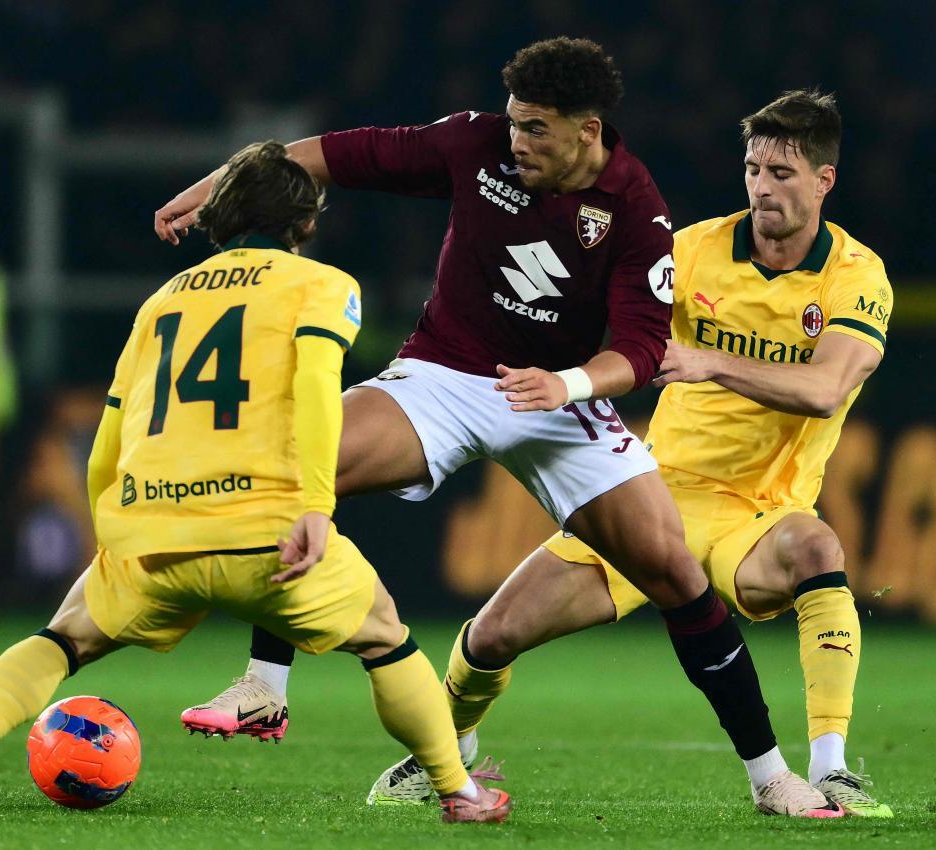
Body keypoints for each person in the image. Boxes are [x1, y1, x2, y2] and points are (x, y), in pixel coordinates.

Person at [154, 38, 833, 817]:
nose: (516, 141)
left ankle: (772, 777)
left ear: (587, 130)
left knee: (675, 573)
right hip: (445, 373)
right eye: (514, 122)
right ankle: (264, 687)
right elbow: (335, 155)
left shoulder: (635, 208)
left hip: (562, 402)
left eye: (536, 129)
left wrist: (566, 385)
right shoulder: (474, 144)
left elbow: (642, 348)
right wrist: (208, 190)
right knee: (302, 462)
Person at [0, 141, 510, 824]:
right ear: (304, 223)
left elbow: (111, 429)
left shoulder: (160, 302)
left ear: (222, 217)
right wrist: (313, 504)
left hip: (152, 535)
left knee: (60, 640)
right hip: (265, 539)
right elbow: (314, 393)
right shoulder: (322, 286)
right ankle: (460, 792)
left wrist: (110, 530)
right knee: (384, 638)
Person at [365, 90, 895, 818]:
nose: (762, 187)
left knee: (815, 548)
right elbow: (608, 323)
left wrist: (709, 362)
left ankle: (831, 769)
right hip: (648, 493)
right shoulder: (693, 250)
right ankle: (443, 753)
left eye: (780, 172)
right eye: (752, 169)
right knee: (491, 636)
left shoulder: (855, 276)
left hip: (757, 516)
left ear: (823, 181)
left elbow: (826, 389)